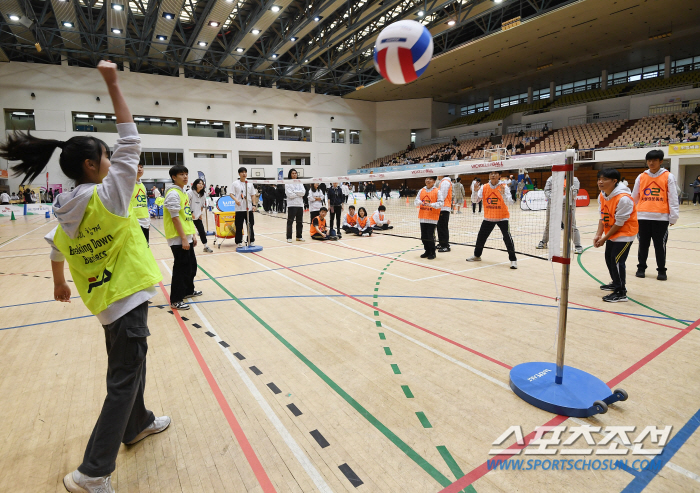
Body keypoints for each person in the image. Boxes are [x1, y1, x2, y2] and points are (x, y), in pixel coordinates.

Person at [0, 60, 170, 493]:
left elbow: (57, 248)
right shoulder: (109, 198)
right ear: (94, 165)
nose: (115, 162)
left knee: (132, 367)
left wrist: (59, 281)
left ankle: (139, 424)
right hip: (125, 298)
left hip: (107, 304)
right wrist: (113, 83)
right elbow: (131, 139)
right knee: (122, 381)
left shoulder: (67, 207)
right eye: (108, 158)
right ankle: (92, 472)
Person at [631, 149, 679, 280]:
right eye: (649, 160)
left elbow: (673, 197)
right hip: (642, 216)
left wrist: (673, 216)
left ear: (661, 161)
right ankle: (641, 268)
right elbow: (634, 197)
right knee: (643, 244)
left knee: (660, 245)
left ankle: (661, 270)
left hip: (661, 218)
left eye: (654, 160)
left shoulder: (668, 176)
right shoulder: (641, 177)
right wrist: (630, 213)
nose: (651, 163)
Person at [594, 168, 638, 302]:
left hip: (625, 233)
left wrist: (604, 239)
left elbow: (619, 223)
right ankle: (615, 282)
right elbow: (603, 216)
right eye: (599, 179)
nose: (600, 182)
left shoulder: (624, 199)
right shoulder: (602, 195)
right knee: (609, 258)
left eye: (604, 179)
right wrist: (598, 234)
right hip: (611, 232)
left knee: (617, 260)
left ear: (614, 181)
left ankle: (621, 292)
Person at [164, 164, 201, 310]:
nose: (185, 176)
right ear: (174, 177)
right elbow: (175, 218)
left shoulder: (183, 192)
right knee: (181, 268)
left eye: (186, 174)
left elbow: (186, 216)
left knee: (191, 266)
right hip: (178, 238)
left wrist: (192, 235)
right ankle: (176, 299)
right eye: (181, 174)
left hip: (187, 236)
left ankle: (187, 291)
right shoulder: (173, 193)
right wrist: (184, 238)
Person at [466, 170, 517, 269]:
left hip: (502, 217)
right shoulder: (484, 187)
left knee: (507, 237)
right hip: (489, 217)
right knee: (481, 237)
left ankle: (513, 260)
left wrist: (503, 194)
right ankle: (477, 256)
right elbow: (474, 201)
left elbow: (510, 203)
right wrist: (475, 192)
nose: (493, 175)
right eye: (491, 173)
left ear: (499, 176)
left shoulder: (504, 187)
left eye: (495, 173)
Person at [536, 172, 583, 254]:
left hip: (567, 206)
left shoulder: (574, 179)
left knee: (571, 225)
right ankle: (544, 242)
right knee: (549, 224)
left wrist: (560, 199)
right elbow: (546, 191)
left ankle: (578, 246)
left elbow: (573, 194)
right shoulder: (551, 179)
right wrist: (555, 199)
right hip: (552, 205)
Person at [415, 176, 443, 259]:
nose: (428, 180)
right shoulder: (421, 190)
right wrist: (419, 202)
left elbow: (441, 203)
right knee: (423, 236)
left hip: (432, 218)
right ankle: (427, 251)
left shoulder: (437, 191)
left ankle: (432, 252)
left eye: (430, 179)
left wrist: (432, 204)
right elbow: (415, 201)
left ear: (434, 181)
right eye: (427, 179)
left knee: (430, 236)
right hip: (423, 217)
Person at [230, 167, 258, 247]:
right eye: (242, 172)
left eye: (245, 172)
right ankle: (239, 241)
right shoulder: (235, 183)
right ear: (239, 174)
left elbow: (253, 195)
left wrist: (254, 205)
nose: (244, 174)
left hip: (248, 208)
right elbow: (231, 194)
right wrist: (236, 200)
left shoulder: (249, 183)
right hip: (239, 209)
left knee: (250, 225)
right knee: (239, 225)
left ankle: (251, 240)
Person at [189, 178, 213, 253]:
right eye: (199, 183)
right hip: (189, 216)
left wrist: (200, 213)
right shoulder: (189, 193)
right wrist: (191, 213)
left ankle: (205, 246)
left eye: (202, 184)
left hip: (197, 216)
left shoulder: (203, 194)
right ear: (195, 184)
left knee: (202, 231)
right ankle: (190, 248)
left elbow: (201, 205)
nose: (201, 185)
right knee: (190, 233)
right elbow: (186, 204)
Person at [130, 163, 151, 243]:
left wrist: (148, 221)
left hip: (145, 222)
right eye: (137, 167)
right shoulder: (128, 185)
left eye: (141, 167)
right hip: (134, 222)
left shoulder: (142, 186)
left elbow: (145, 204)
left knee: (145, 248)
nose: (139, 169)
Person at [285, 169, 305, 242]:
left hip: (300, 205)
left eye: (295, 173)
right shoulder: (287, 183)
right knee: (290, 221)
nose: (294, 174)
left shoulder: (300, 183)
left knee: (300, 222)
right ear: (290, 174)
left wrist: (295, 193)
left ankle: (299, 236)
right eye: (293, 173)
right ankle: (289, 237)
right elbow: (290, 195)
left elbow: (303, 193)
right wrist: (298, 194)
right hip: (292, 205)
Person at [436, 174, 452, 252]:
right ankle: (441, 243)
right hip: (441, 208)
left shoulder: (445, 182)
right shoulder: (443, 181)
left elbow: (442, 195)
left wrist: (437, 204)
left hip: (444, 208)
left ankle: (445, 245)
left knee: (443, 227)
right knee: (440, 226)